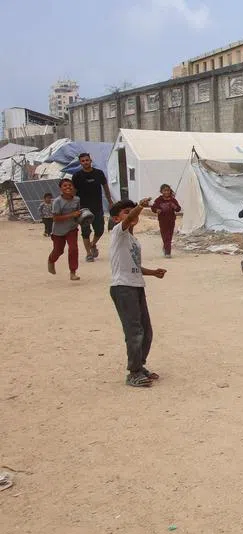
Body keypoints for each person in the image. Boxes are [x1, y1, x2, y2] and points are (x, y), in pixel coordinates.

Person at [108, 198, 167, 388]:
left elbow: (134, 265)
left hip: (136, 285)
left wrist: (152, 273)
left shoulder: (133, 240)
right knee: (134, 331)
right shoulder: (118, 233)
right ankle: (133, 373)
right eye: (126, 212)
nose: (132, 214)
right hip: (123, 288)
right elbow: (129, 219)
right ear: (117, 219)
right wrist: (139, 207)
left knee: (146, 331)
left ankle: (139, 366)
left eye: (131, 211)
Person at [71, 152, 115, 262]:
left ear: (91, 161)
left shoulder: (99, 173)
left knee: (99, 230)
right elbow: (74, 192)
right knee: (85, 231)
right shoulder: (77, 176)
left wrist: (110, 202)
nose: (85, 162)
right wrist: (72, 206)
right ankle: (88, 254)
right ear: (80, 163)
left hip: (97, 207)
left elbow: (105, 188)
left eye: (87, 160)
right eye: (83, 161)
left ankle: (93, 244)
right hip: (83, 208)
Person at [48, 178, 83, 281]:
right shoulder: (57, 202)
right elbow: (55, 218)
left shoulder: (77, 199)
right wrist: (71, 214)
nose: (68, 187)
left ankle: (73, 272)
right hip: (58, 231)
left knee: (73, 249)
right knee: (58, 250)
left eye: (70, 185)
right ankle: (51, 260)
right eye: (65, 186)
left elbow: (78, 213)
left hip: (72, 228)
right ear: (60, 189)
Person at [150, 184, 182, 258]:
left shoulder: (173, 200)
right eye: (165, 190)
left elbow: (178, 209)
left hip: (171, 220)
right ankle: (167, 251)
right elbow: (153, 208)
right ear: (161, 191)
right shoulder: (159, 200)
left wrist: (174, 206)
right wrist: (157, 210)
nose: (167, 192)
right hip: (162, 221)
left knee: (169, 236)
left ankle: (166, 249)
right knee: (165, 236)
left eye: (168, 190)